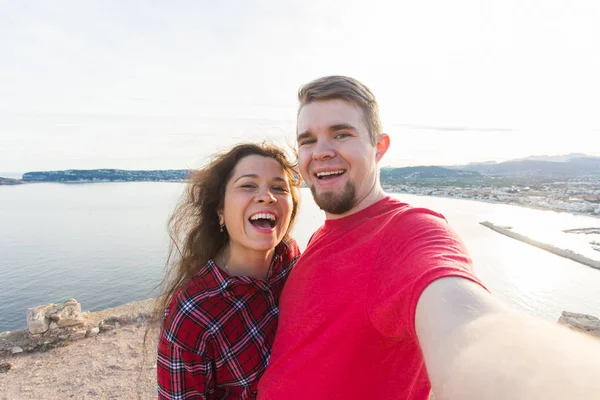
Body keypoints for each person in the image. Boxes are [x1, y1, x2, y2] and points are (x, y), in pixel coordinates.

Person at [257, 76, 600, 399]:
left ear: (379, 147)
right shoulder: (323, 235)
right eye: (307, 140)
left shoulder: (407, 232)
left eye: (341, 134)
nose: (321, 151)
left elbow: (474, 327)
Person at [154, 143, 301, 399]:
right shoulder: (193, 316)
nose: (267, 196)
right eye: (247, 185)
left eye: (279, 187)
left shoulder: (290, 258)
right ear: (220, 210)